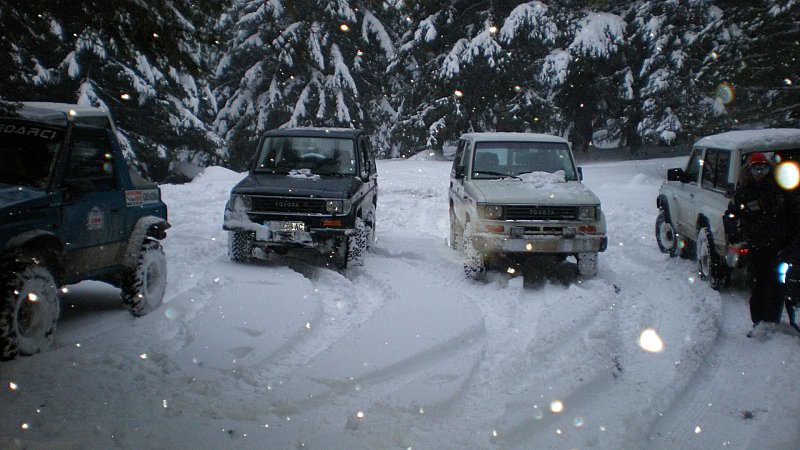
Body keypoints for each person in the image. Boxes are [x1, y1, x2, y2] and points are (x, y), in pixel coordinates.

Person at [727, 152, 792, 337]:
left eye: (763, 168)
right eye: (756, 168)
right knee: (758, 284)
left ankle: (772, 322)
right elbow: (731, 213)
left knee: (777, 284)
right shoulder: (744, 191)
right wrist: (732, 228)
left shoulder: (778, 187)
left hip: (778, 246)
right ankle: (759, 323)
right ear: (750, 170)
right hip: (756, 246)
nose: (760, 172)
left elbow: (790, 211)